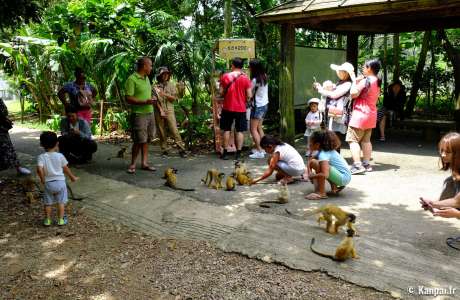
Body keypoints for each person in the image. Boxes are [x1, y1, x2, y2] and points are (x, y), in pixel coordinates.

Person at [346, 59, 382, 175]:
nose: (362, 68)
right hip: (371, 114)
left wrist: (354, 82)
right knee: (366, 141)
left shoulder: (366, 81)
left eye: (364, 66)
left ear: (369, 68)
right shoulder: (378, 80)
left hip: (360, 114)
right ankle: (366, 164)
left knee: (353, 140)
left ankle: (357, 165)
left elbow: (353, 93)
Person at [37, 131, 78, 226]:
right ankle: (60, 220)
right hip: (60, 183)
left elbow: (39, 169)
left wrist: (43, 179)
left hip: (48, 184)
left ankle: (47, 220)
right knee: (61, 202)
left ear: (41, 144)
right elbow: (65, 168)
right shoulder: (60, 156)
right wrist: (72, 177)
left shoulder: (41, 157)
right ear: (57, 143)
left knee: (48, 203)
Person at [125, 57, 157, 174]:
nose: (151, 68)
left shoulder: (147, 78)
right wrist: (144, 102)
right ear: (144, 66)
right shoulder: (132, 79)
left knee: (147, 139)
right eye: (150, 65)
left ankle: (144, 163)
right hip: (139, 114)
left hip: (150, 112)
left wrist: (151, 100)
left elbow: (146, 95)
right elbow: (128, 98)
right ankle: (133, 164)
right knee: (139, 140)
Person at [219, 57, 252, 160]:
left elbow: (221, 92)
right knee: (240, 131)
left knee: (227, 129)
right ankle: (238, 154)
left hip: (227, 107)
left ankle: (224, 153)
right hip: (240, 108)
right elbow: (249, 95)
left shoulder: (225, 76)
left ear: (232, 65)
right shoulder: (246, 78)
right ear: (242, 66)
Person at [314, 62, 356, 141]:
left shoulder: (347, 84)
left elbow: (334, 95)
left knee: (334, 138)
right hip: (332, 114)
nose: (338, 72)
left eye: (340, 71)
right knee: (330, 136)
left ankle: (334, 153)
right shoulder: (340, 82)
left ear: (346, 73)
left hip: (336, 115)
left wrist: (320, 90)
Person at [304, 130, 351, 200]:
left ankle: (321, 193)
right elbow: (310, 161)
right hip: (344, 176)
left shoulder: (323, 155)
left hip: (343, 178)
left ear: (317, 144)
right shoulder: (323, 151)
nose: (309, 145)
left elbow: (325, 174)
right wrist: (309, 171)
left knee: (317, 164)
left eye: (310, 143)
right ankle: (334, 186)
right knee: (314, 162)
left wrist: (312, 176)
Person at [153, 67, 187, 157]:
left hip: (169, 110)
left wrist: (164, 94)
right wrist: (160, 110)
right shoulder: (155, 86)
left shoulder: (171, 85)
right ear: (159, 76)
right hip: (158, 110)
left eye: (167, 74)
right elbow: (154, 100)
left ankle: (182, 150)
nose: (165, 75)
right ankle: (165, 150)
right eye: (163, 74)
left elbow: (174, 99)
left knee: (174, 130)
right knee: (161, 131)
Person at [0, 98, 31, 177]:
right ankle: (18, 168)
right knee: (8, 148)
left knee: (8, 148)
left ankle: (18, 168)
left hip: (1, 130)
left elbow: (4, 111)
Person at [248, 59, 269, 159]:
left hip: (257, 106)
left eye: (250, 66)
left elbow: (249, 93)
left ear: (253, 68)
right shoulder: (264, 76)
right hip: (264, 104)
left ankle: (260, 151)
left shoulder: (255, 80)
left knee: (253, 129)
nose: (249, 68)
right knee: (259, 128)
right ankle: (264, 148)